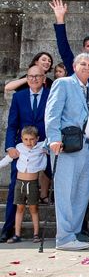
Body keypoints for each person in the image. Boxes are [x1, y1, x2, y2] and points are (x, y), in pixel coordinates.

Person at [46, 53, 89, 251]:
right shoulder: (63, 84)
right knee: (65, 192)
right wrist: (53, 138)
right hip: (67, 146)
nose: (87, 67)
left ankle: (73, 234)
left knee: (82, 193)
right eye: (83, 64)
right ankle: (63, 237)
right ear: (74, 65)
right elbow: (52, 113)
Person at [1, 65, 51, 243]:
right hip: (23, 150)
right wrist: (10, 147)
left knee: (60, 184)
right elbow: (12, 124)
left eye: (38, 76)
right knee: (16, 189)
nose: (34, 79)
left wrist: (51, 144)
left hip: (46, 148)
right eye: (30, 76)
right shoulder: (19, 97)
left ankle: (71, 229)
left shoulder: (51, 94)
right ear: (27, 78)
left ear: (44, 78)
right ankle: (8, 229)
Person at [3, 127, 47, 243]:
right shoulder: (19, 148)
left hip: (32, 184)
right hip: (20, 183)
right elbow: (8, 159)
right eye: (26, 139)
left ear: (37, 138)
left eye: (32, 139)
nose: (29, 142)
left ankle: (36, 234)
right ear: (22, 139)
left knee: (33, 209)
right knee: (19, 208)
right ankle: (17, 235)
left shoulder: (41, 147)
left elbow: (50, 143)